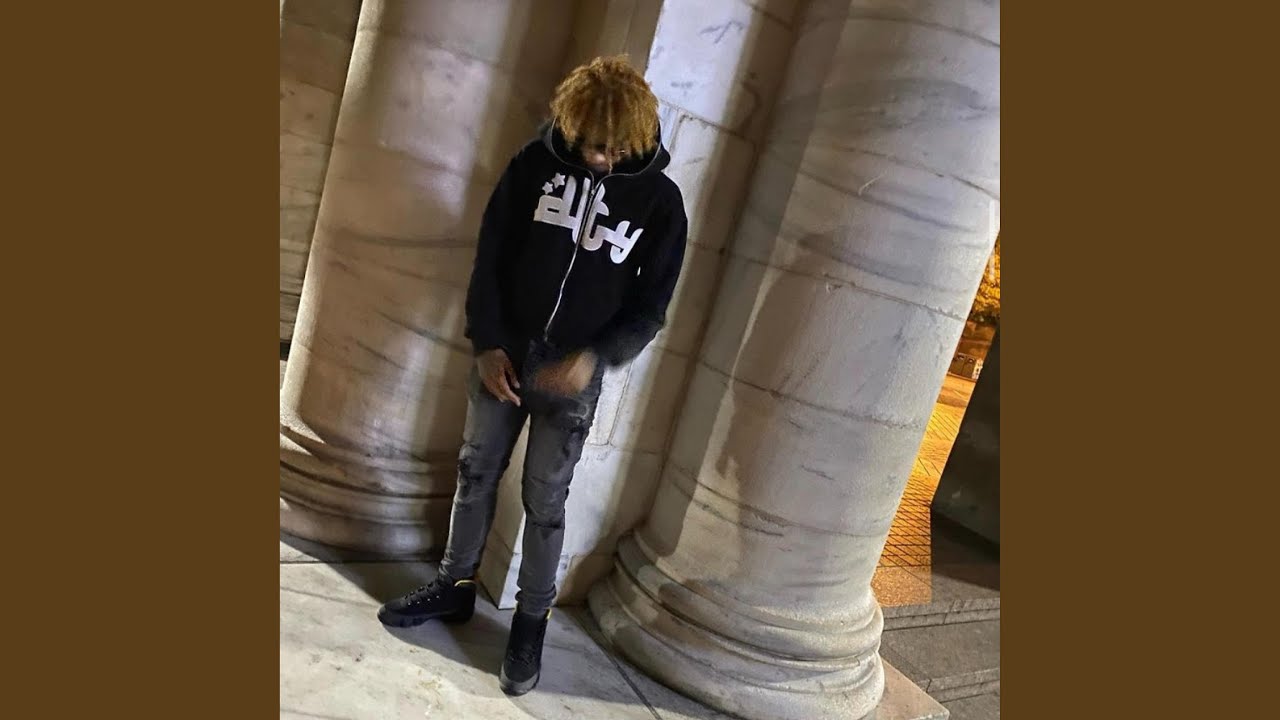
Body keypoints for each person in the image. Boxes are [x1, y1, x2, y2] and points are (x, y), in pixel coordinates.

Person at [377, 55, 688, 697]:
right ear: (572, 125)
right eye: (591, 145)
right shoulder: (533, 166)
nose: (602, 160)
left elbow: (650, 306)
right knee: (475, 471)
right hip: (506, 356)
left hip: (572, 376)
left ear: (636, 136)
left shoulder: (661, 203)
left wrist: (594, 357)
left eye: (615, 149)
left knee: (545, 500)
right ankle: (454, 585)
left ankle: (530, 623)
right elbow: (491, 255)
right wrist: (488, 343)